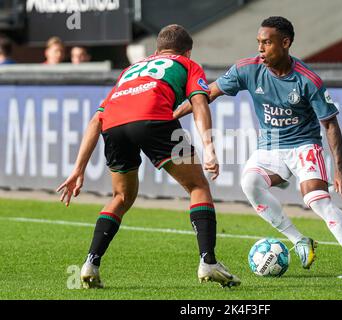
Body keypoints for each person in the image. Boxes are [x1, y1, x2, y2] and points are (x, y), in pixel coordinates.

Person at [174, 16, 342, 279]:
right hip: (270, 146)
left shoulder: (307, 80)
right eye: (258, 42)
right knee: (249, 183)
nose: (260, 48)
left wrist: (340, 169)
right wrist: (172, 114)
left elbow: (330, 124)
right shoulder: (248, 69)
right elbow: (206, 94)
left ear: (285, 43)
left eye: (267, 43)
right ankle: (299, 239)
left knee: (316, 200)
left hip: (304, 145)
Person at [57, 24, 241, 288]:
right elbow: (200, 101)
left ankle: (90, 263)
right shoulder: (187, 65)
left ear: (156, 50)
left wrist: (78, 169)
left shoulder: (131, 69)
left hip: (114, 125)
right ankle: (208, 261)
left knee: (121, 197)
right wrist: (209, 147)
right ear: (187, 52)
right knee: (197, 185)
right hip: (154, 118)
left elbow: (97, 119)